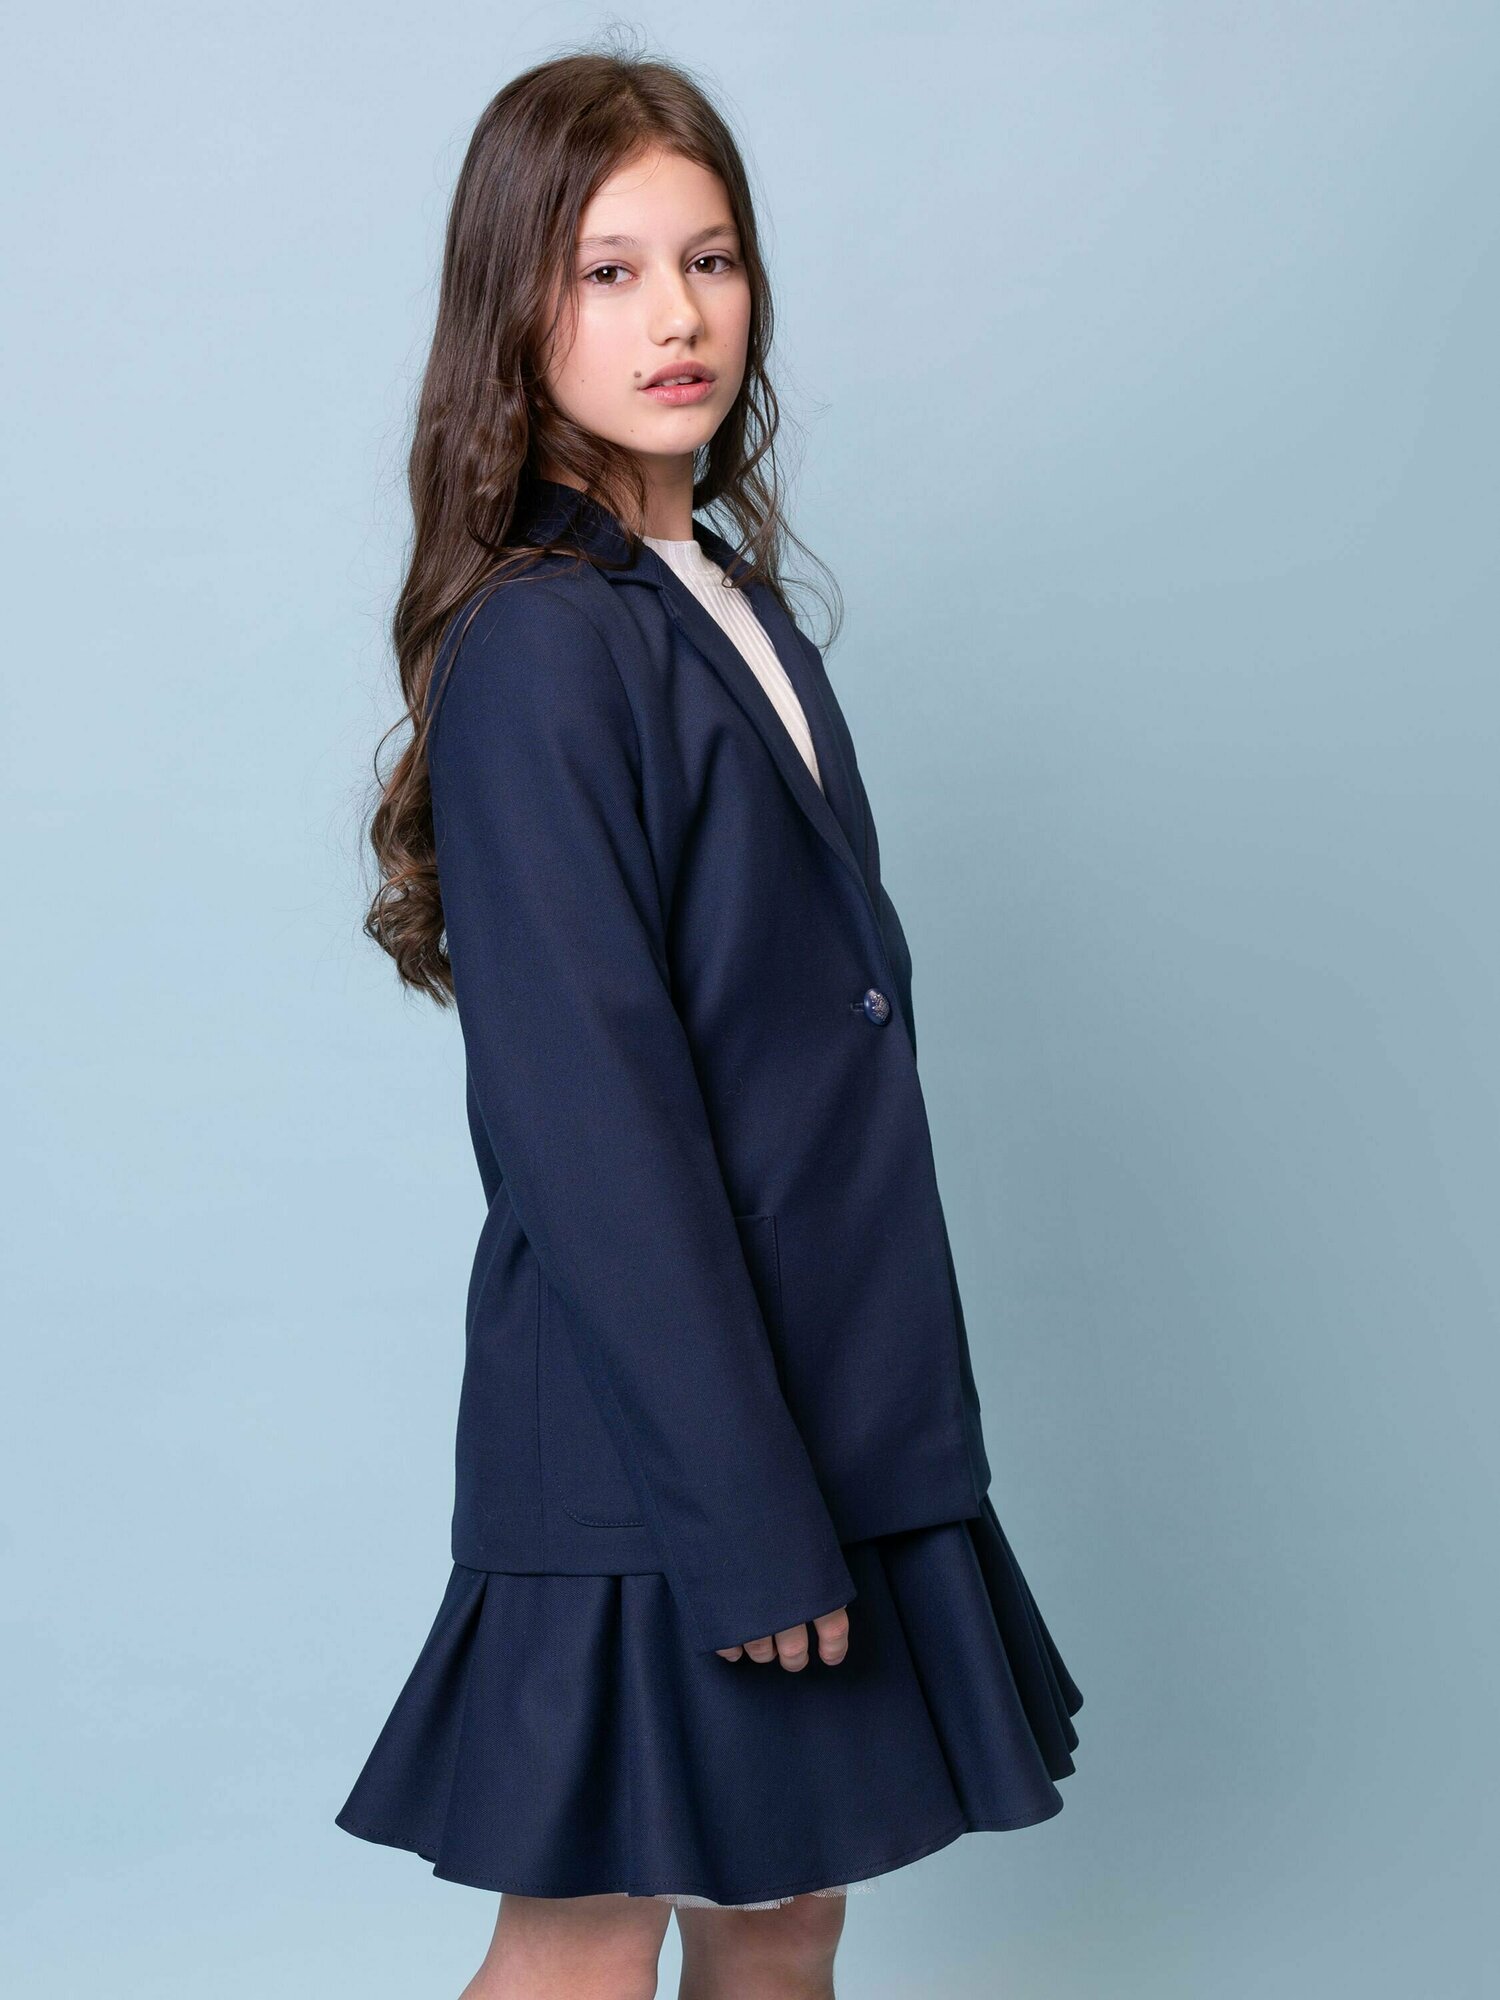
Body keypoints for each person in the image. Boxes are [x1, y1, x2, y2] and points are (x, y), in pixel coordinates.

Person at [337, 41, 1083, 2000]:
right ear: (514, 310)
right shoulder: (541, 641)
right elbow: (592, 1121)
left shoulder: (720, 595)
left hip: (820, 1402)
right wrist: (745, 1517)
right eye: (607, 271)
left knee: (784, 1918)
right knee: (584, 1950)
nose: (676, 315)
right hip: (661, 1448)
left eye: (711, 259)